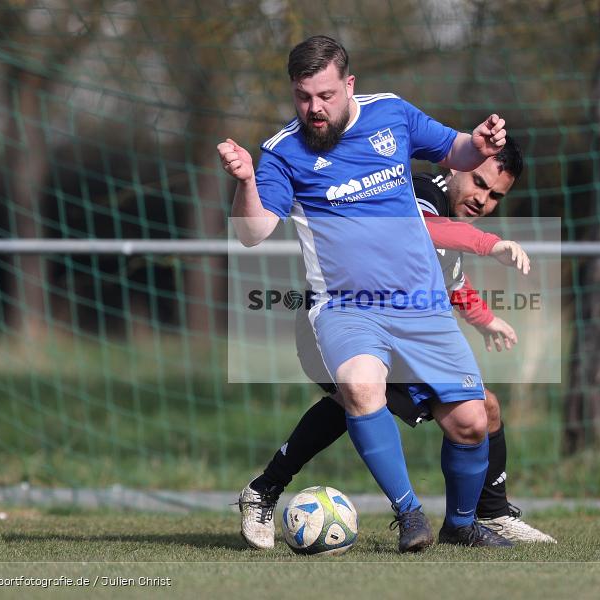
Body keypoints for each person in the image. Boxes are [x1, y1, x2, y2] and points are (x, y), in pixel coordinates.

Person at [218, 35, 512, 551]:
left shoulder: (392, 114)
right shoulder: (282, 153)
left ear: (349, 85)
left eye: (326, 95)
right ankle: (410, 515)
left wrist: (481, 146)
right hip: (345, 307)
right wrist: (245, 180)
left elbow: (457, 148)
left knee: (471, 421)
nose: (314, 108)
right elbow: (252, 231)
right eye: (303, 97)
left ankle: (462, 522)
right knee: (357, 386)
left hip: (421, 304)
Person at [238, 138, 557, 550]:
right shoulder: (424, 192)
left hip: (398, 328)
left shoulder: (450, 212)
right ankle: (445, 517)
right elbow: (420, 228)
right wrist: (489, 243)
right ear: (458, 165)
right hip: (340, 319)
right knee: (364, 393)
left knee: (471, 409)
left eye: (495, 195)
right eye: (479, 182)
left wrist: (486, 320)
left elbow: (451, 279)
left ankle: (264, 488)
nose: (483, 199)